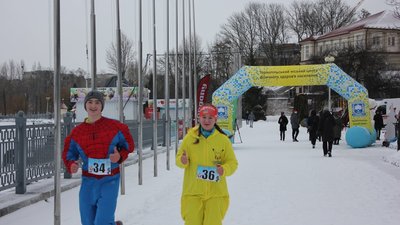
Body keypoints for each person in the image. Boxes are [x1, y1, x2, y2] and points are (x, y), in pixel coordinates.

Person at [62, 90, 134, 225]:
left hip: (110, 180)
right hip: (88, 182)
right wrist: (71, 163)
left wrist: (119, 156)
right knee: (87, 221)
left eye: (97, 102)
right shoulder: (77, 132)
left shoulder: (115, 127)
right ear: (85, 105)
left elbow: (129, 145)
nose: (93, 105)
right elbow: (68, 152)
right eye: (90, 102)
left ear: (102, 106)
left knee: (102, 221)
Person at [176, 104, 238, 225]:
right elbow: (179, 158)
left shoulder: (223, 140)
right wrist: (182, 161)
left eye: (210, 118)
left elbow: (232, 162)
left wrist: (224, 169)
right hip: (193, 192)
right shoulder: (190, 138)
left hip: (216, 194)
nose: (207, 120)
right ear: (199, 118)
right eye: (204, 117)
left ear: (216, 120)